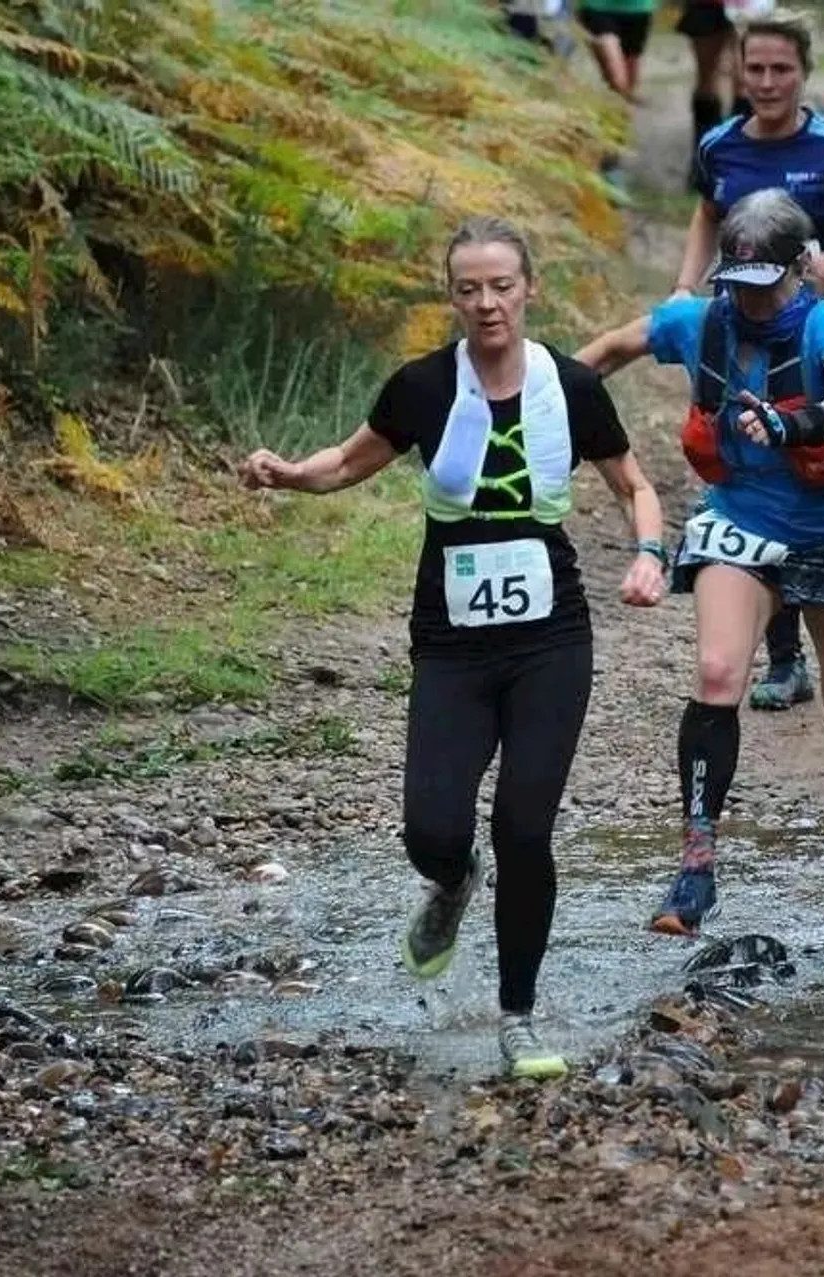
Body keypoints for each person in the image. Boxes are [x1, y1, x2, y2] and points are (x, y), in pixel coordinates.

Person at [240, 216, 667, 1078]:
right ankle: (451, 880)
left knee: (524, 826)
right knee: (431, 828)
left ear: (529, 290)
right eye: (468, 288)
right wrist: (290, 474)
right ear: (452, 297)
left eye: (501, 285)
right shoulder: (423, 386)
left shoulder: (574, 387)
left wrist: (652, 554)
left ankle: (518, 1016)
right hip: (451, 643)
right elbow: (350, 461)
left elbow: (634, 484)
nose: (486, 303)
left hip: (551, 640)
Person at [576, 188, 824, 951]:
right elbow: (604, 353)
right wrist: (536, 406)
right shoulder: (701, 321)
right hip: (741, 520)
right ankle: (696, 863)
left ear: (800, 269)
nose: (752, 303)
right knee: (716, 673)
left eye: (766, 285)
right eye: (737, 286)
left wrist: (798, 421)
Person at [670, 9, 824, 714]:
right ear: (738, 71)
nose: (768, 82)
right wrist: (686, 288)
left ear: (805, 73)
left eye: (782, 70)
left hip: (819, 321)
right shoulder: (719, 143)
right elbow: (708, 216)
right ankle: (782, 656)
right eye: (756, 69)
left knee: (816, 461)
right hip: (739, 319)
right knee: (745, 467)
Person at [676, 0, 754, 148]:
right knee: (707, 80)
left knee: (745, 78)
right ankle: (707, 152)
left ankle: (744, 149)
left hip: (749, 6)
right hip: (708, 6)